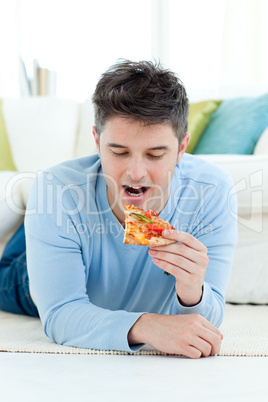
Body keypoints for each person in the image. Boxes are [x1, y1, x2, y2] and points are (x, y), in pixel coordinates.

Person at [0, 60, 237, 358]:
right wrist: (147, 326)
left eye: (155, 154)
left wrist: (193, 293)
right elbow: (60, 312)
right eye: (119, 152)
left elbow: (204, 324)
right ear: (97, 142)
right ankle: (31, 220)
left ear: (181, 149)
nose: (135, 172)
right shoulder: (55, 188)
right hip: (28, 267)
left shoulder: (213, 191)